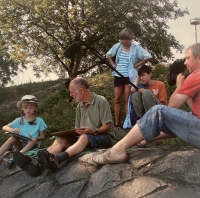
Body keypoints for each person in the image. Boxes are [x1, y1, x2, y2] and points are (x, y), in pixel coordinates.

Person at [92, 43, 200, 165]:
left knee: (158, 111)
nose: (185, 63)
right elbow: (195, 113)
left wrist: (180, 86)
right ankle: (144, 137)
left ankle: (118, 150)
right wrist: (187, 91)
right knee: (182, 116)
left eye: (188, 58)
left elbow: (172, 106)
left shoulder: (196, 75)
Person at [14, 77, 116, 176]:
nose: (71, 95)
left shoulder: (101, 101)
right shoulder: (79, 106)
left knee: (85, 137)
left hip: (104, 138)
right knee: (61, 139)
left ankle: (57, 159)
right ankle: (37, 163)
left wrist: (93, 131)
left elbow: (107, 127)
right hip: (85, 139)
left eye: (72, 92)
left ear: (80, 90)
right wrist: (69, 134)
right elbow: (78, 130)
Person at [107, 28, 152, 128]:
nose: (124, 41)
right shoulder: (118, 46)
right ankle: (117, 124)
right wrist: (113, 64)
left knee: (127, 100)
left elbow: (148, 56)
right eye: (122, 39)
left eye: (126, 39)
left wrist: (138, 64)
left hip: (129, 76)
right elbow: (108, 55)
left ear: (131, 39)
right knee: (117, 99)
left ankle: (128, 124)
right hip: (118, 75)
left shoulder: (136, 48)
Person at [1, 95, 47, 168]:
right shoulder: (19, 120)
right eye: (26, 108)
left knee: (33, 140)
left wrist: (36, 138)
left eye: (31, 108)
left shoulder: (39, 120)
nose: (28, 110)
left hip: (32, 145)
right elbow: (4, 127)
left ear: (35, 107)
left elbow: (42, 136)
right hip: (21, 144)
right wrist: (13, 130)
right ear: (22, 108)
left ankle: (14, 159)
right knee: (12, 138)